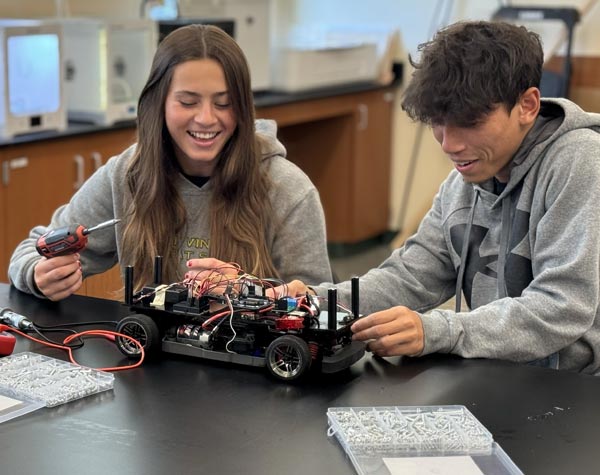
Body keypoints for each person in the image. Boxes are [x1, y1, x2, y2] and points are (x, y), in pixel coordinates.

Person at [279, 20, 600, 375]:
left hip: (577, 391)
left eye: (470, 123)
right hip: (501, 374)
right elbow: (410, 277)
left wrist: (439, 330)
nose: (449, 145)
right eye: (438, 123)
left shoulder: (581, 161)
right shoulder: (463, 182)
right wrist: (316, 302)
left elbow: (562, 305)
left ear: (527, 105)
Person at [8, 24, 332, 301]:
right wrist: (37, 274)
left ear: (244, 109)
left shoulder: (288, 189)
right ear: (158, 103)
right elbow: (32, 250)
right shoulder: (125, 176)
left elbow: (317, 301)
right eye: (187, 101)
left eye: (224, 103)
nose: (206, 118)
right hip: (147, 363)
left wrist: (248, 293)